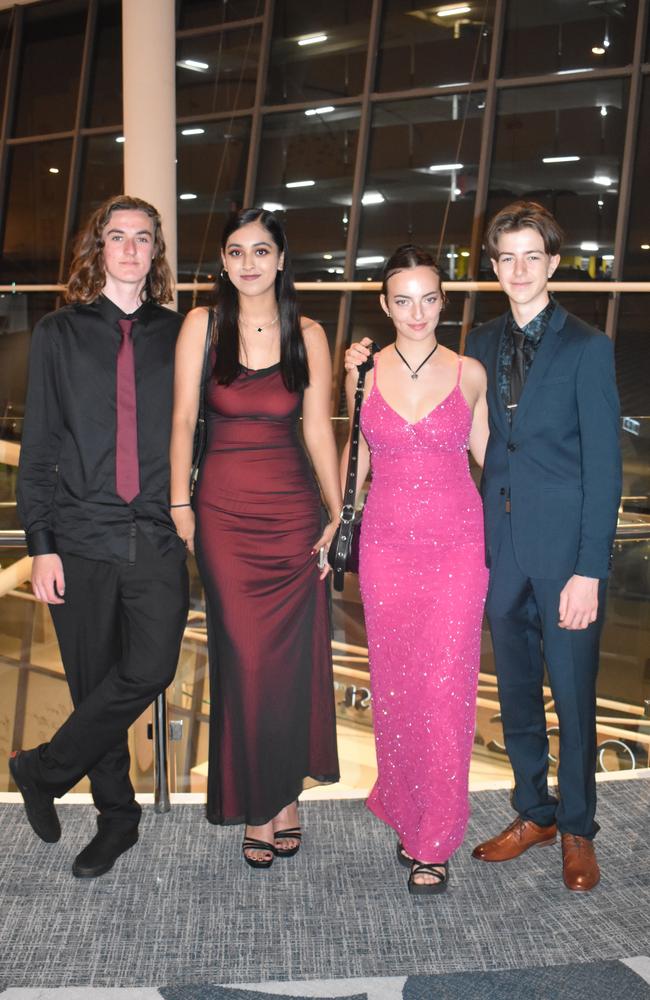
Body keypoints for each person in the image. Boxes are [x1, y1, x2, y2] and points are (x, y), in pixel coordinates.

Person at [348, 203, 622, 892]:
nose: (520, 269)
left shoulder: (590, 347)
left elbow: (606, 470)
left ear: (554, 263)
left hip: (564, 559)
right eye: (508, 257)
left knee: (575, 694)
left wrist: (590, 567)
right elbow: (478, 447)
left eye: (534, 256)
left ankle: (580, 829)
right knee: (518, 694)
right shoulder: (481, 346)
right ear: (493, 267)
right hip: (494, 549)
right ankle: (535, 812)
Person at [12, 195, 189, 878]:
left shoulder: (181, 334)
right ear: (99, 247)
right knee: (94, 686)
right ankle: (118, 817)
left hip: (154, 533)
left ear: (155, 253)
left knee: (151, 667)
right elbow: (39, 447)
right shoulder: (59, 333)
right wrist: (40, 543)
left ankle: (43, 768)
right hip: (78, 536)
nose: (131, 249)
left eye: (143, 239)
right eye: (119, 237)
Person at [170, 208, 340, 868]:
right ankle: (259, 799)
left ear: (279, 258)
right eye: (236, 251)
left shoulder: (310, 333)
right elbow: (183, 417)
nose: (248, 262)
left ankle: (283, 798)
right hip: (223, 515)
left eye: (260, 250)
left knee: (291, 664)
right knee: (243, 661)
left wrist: (334, 513)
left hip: (293, 515)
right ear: (223, 261)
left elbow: (319, 428)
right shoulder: (202, 326)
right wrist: (178, 503)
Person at [342, 245, 489, 895]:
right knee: (398, 684)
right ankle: (406, 809)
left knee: (446, 689)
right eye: (403, 299)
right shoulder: (365, 374)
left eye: (429, 298)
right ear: (384, 304)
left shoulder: (471, 373)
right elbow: (357, 456)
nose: (417, 311)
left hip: (457, 545)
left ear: (444, 300)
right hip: (386, 547)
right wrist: (335, 519)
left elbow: (494, 457)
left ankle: (437, 836)